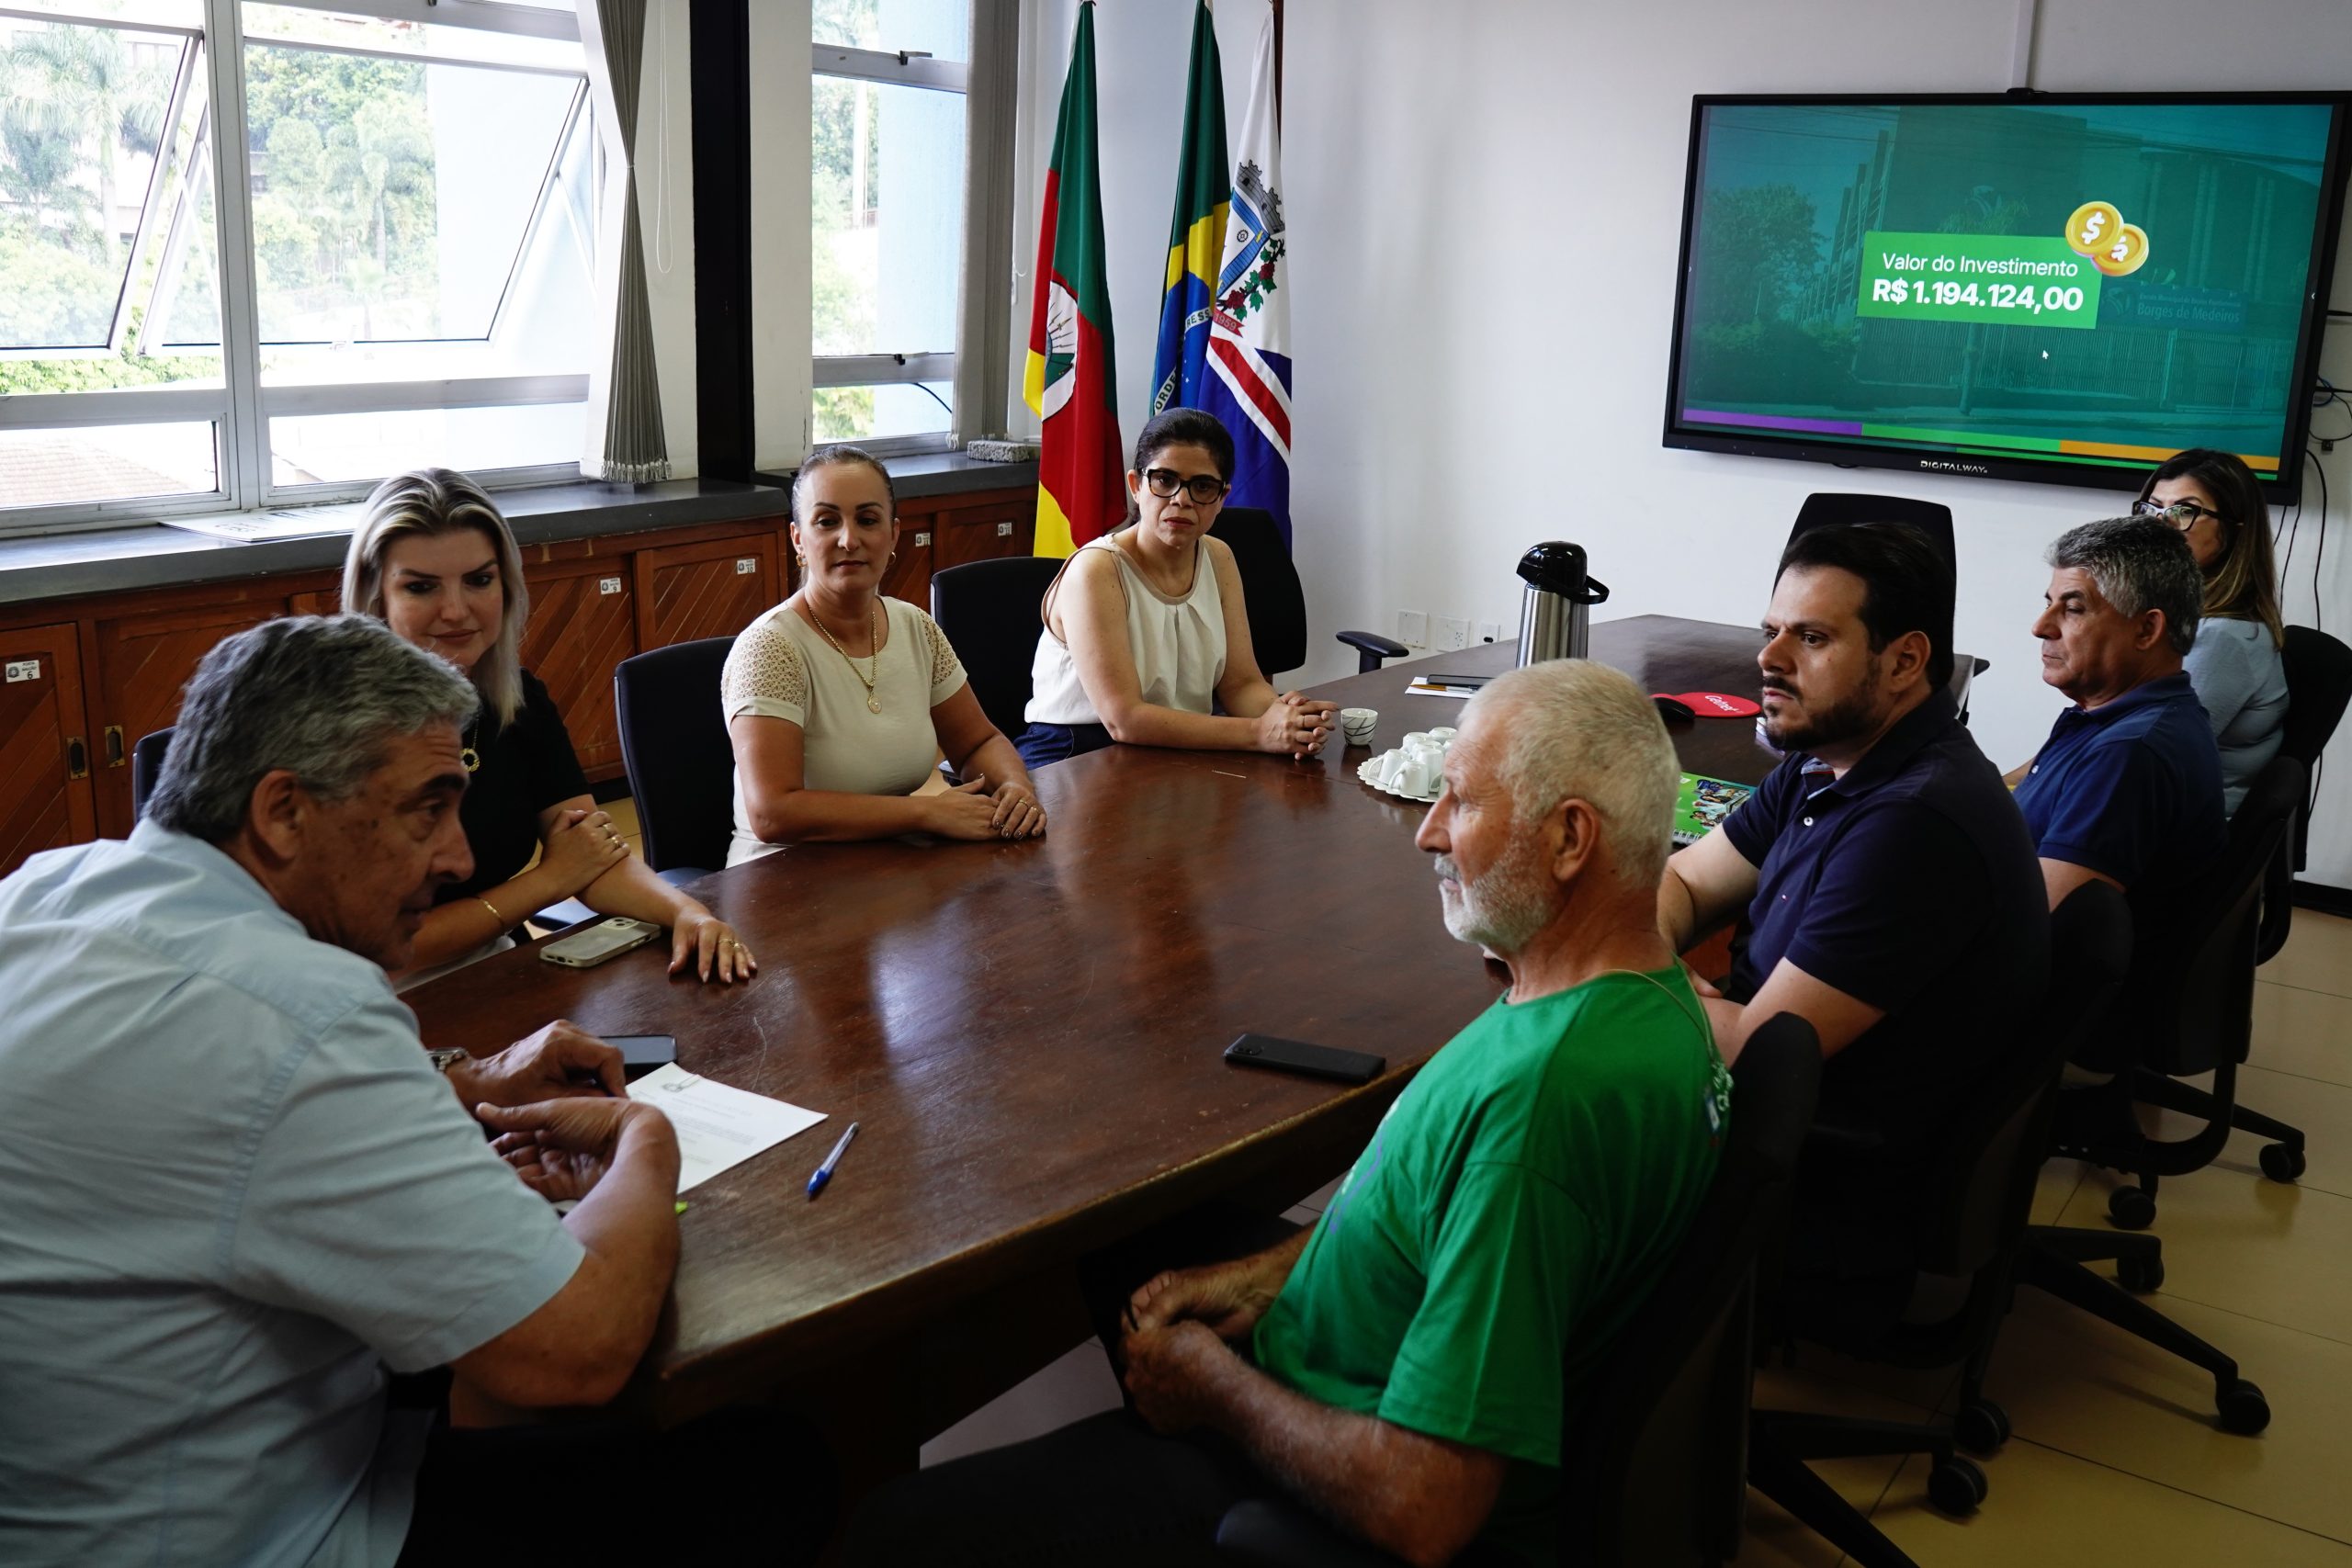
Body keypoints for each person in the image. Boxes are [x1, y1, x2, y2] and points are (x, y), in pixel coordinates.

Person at [846, 660, 1732, 1566]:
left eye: (1458, 803)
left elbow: (1424, 1506)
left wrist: (1211, 1388)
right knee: (1133, 1231)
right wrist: (1269, 1272)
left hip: (1311, 1490)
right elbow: (1426, 1208)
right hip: (1348, 1355)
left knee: (886, 1535)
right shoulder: (1645, 1001)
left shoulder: (1541, 1105)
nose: (1426, 834)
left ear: (1569, 839)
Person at [0, 615, 833, 1566]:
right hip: (235, 1533)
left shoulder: (47, 890)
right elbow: (575, 1353)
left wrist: (457, 1084)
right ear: (282, 813)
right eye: (425, 810)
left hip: (61, 1494)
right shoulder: (301, 1013)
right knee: (763, 1468)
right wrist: (647, 1138)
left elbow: (204, 1128)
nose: (458, 859)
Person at [1657, 523, 2046, 1330]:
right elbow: (1689, 879)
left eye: (1812, 637)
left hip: (1827, 1167)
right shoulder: (1827, 755)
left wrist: (1625, 968)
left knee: (1520, 1137)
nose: (1770, 658)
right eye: (1771, 632)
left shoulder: (1915, 818)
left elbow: (1760, 1053)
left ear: (1905, 660)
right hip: (1791, 1102)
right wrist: (1648, 952)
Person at [345, 468, 754, 987]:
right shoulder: (342, 732)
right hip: (366, 999)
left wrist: (688, 914)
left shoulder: (517, 701)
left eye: (479, 580)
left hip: (490, 967)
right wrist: (549, 881)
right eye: (421, 587)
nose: (456, 611)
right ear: (376, 596)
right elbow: (394, 948)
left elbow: (593, 856)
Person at [724, 444, 1046, 863]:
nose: (849, 538)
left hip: (889, 867)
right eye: (826, 521)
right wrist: (926, 813)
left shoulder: (915, 627)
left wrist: (1014, 789)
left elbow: (977, 742)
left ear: (893, 535)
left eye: (867, 519)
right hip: (781, 878)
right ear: (798, 538)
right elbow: (773, 813)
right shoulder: (770, 649)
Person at [1017, 407, 1337, 768]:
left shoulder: (1219, 556)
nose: (1181, 499)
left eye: (1202, 486)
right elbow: (1124, 719)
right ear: (1137, 486)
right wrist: (1259, 733)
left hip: (1177, 743)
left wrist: (1287, 718)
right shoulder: (1096, 569)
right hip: (1077, 753)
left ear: (1222, 498)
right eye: (1164, 480)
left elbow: (1241, 684)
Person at [2015, 515, 2226, 911]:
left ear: (2147, 631)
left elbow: (2036, 923)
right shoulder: (2119, 719)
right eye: (2049, 604)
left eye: (2073, 608)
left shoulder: (2129, 754)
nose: (2041, 627)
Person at [2133, 448, 2289, 815]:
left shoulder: (2223, 638)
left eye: (2184, 511)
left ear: (2234, 532)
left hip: (2168, 832)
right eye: (2152, 508)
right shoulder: (2176, 612)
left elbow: (2140, 758)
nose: (2159, 525)